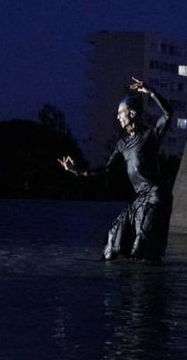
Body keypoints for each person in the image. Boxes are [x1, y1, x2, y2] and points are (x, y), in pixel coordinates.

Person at [58, 77, 173, 261]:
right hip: (139, 199)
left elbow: (168, 114)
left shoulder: (150, 135)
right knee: (112, 241)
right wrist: (76, 171)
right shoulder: (122, 144)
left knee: (141, 249)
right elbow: (105, 171)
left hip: (157, 196)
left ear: (133, 114)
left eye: (121, 113)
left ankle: (146, 283)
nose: (118, 117)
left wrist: (151, 92)